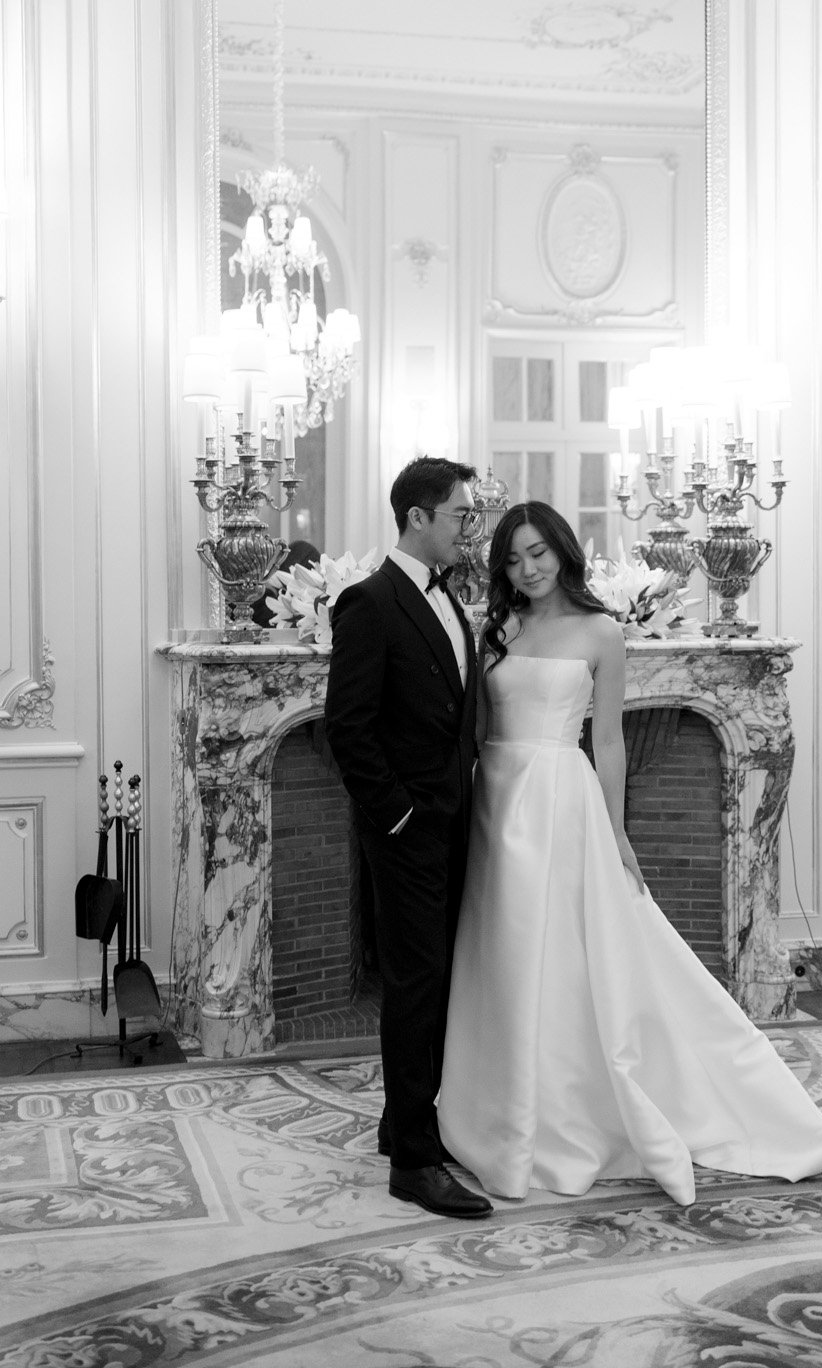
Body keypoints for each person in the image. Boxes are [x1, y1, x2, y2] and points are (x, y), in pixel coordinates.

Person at [436, 499, 822, 1206]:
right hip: (494, 799)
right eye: (511, 558)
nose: (526, 568)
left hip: (562, 797)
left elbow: (611, 740)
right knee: (499, 950)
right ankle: (495, 1106)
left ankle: (576, 1110)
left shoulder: (601, 630)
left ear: (562, 551)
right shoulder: (497, 626)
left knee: (564, 952)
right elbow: (475, 724)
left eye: (537, 553)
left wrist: (618, 830)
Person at [324, 456, 492, 1220]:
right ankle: (415, 1166)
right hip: (408, 833)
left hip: (457, 824)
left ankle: (404, 1124)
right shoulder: (369, 602)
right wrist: (399, 819)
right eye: (461, 514)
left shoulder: (450, 600)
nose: (471, 528)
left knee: (440, 981)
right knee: (415, 986)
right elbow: (347, 730)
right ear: (418, 517)